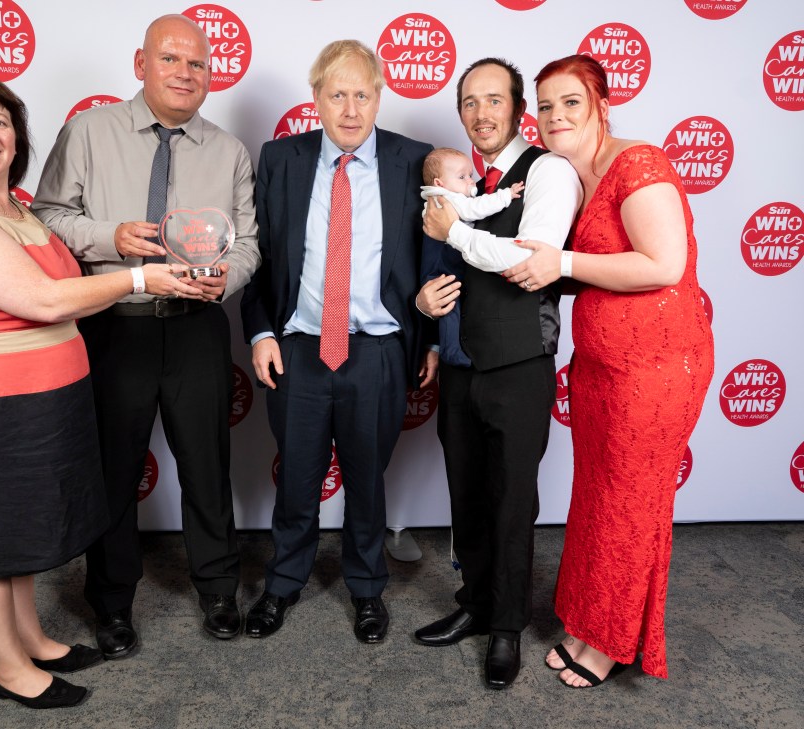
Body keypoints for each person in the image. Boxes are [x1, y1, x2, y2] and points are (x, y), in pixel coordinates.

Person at [0, 73, 195, 708]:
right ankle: (8, 670)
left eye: (1, 121)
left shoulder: (12, 205)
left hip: (48, 395)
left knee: (22, 531)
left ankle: (31, 637)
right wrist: (139, 279)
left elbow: (66, 298)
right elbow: (43, 299)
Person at [32, 14, 260, 655]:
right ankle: (111, 604)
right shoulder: (89, 131)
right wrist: (109, 238)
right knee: (112, 470)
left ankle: (218, 589)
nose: (186, 73)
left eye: (198, 64)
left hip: (196, 328)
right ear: (140, 64)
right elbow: (48, 214)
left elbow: (249, 243)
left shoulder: (229, 150)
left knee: (208, 468)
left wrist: (227, 282)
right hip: (114, 325)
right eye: (171, 60)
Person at [502, 54, 714, 687]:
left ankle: (612, 641)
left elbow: (662, 265)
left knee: (629, 502)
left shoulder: (638, 163)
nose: (555, 116)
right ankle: (587, 617)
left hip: (656, 369)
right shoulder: (571, 173)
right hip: (601, 368)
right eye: (544, 106)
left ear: (601, 105)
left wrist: (561, 263)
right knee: (597, 497)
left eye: (571, 102)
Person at [240, 40, 433, 643]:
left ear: (379, 98)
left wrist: (427, 341)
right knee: (296, 476)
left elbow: (435, 258)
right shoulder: (281, 159)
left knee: (368, 480)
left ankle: (368, 588)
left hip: (377, 352)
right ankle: (283, 583)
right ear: (316, 99)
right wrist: (261, 330)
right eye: (337, 94)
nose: (350, 108)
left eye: (363, 94)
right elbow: (260, 256)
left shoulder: (413, 160)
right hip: (298, 349)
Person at [416, 58, 582, 690]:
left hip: (518, 364)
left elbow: (526, 262)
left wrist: (454, 230)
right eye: (469, 103)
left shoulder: (547, 172)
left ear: (518, 108)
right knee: (467, 492)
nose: (481, 114)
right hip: (460, 363)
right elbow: (432, 268)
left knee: (513, 500)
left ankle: (508, 624)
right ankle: (478, 602)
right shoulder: (456, 178)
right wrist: (422, 305)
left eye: (494, 100)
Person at [419, 147, 524, 367]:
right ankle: (450, 351)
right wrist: (506, 195)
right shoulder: (449, 200)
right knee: (450, 307)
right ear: (440, 183)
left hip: (439, 265)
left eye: (470, 175)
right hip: (446, 263)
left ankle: (448, 348)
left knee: (450, 309)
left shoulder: (435, 199)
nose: (470, 182)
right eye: (462, 177)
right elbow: (474, 209)